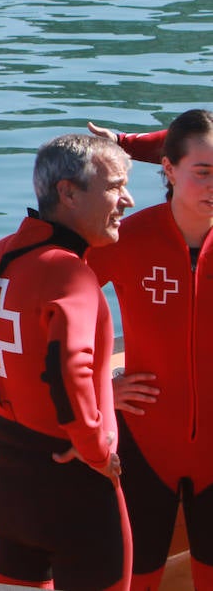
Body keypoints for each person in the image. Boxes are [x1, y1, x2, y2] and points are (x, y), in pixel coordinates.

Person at [0, 133, 133, 590]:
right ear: (68, 192)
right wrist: (97, 449)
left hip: (10, 471)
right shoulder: (70, 273)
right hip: (73, 484)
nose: (128, 200)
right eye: (115, 186)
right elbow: (70, 370)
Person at [86, 109, 213, 590]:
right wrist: (101, 388)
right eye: (202, 172)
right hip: (145, 443)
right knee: (135, 580)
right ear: (169, 169)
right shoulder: (128, 238)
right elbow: (55, 315)